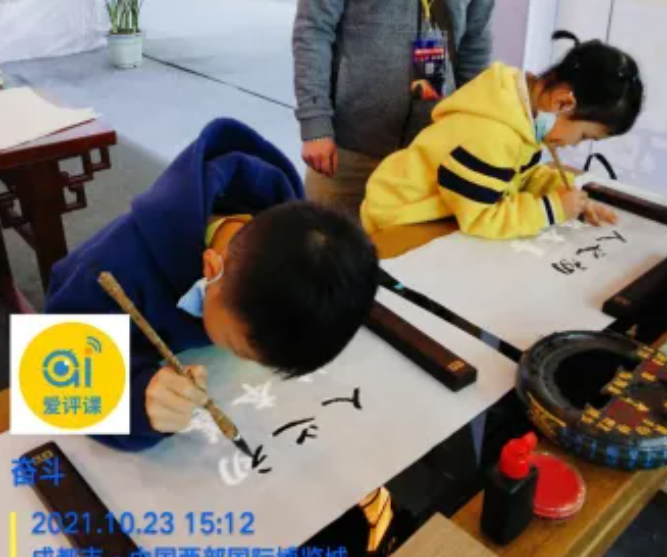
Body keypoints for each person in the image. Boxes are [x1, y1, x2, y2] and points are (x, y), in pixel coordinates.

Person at [46, 119, 379, 451]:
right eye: (236, 347)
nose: (247, 361)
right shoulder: (113, 269)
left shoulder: (294, 244)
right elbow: (47, 371)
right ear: (210, 272)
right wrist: (135, 401)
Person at [361, 32, 645, 239]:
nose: (574, 145)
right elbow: (482, 217)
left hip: (440, 214)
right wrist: (553, 209)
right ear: (562, 103)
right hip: (401, 219)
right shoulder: (494, 134)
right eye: (583, 136)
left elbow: (516, 177)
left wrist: (569, 197)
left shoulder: (522, 107)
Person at [293, 0, 495, 216]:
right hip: (348, 151)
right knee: (327, 234)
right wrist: (315, 124)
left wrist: (474, 131)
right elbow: (313, 29)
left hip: (431, 158)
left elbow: (475, 43)